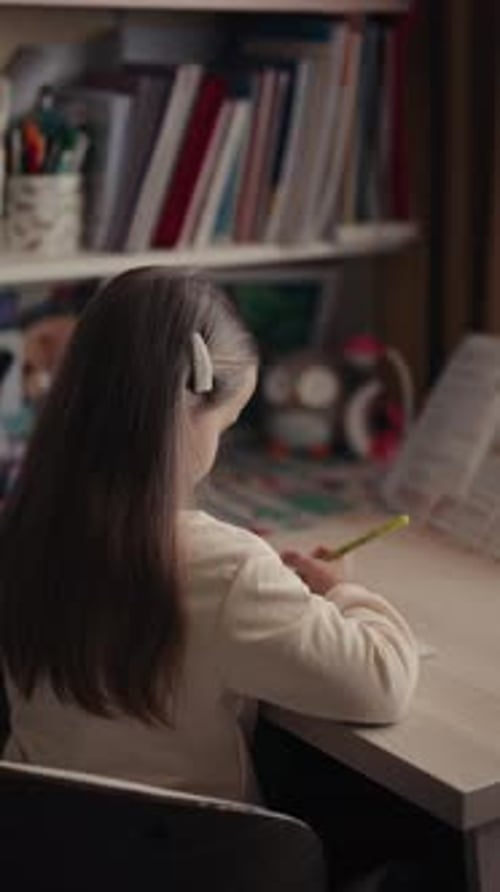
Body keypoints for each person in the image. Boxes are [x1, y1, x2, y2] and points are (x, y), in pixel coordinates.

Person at [0, 268, 419, 804]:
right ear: (186, 412)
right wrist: (340, 591)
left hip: (42, 842)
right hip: (189, 849)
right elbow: (382, 682)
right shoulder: (225, 569)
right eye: (225, 425)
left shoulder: (23, 532)